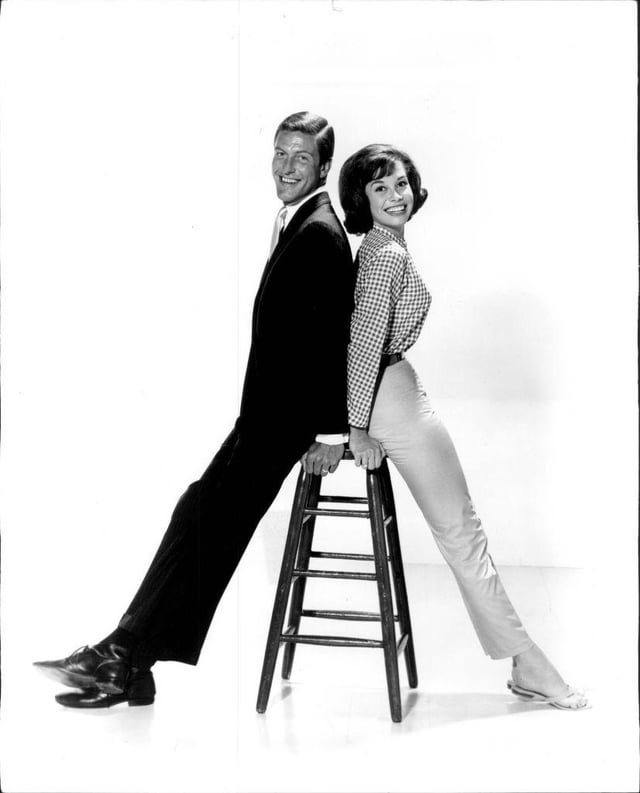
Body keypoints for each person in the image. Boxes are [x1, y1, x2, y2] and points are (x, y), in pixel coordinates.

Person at [34, 111, 356, 708]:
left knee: (207, 527)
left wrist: (332, 434)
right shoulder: (299, 222)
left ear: (324, 167)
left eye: (301, 158)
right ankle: (130, 661)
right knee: (196, 513)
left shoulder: (319, 233)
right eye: (280, 153)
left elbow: (333, 338)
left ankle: (122, 657)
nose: (286, 167)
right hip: (262, 417)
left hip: (284, 424)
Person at [339, 144, 588, 710]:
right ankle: (529, 664)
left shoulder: (384, 245)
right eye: (379, 188)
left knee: (462, 531)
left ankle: (526, 660)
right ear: (361, 197)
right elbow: (363, 344)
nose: (396, 196)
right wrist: (356, 428)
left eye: (401, 183)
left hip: (394, 389)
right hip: (387, 398)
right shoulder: (384, 255)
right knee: (461, 533)